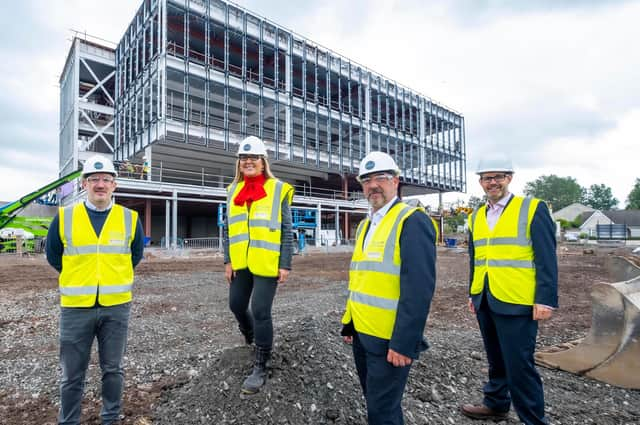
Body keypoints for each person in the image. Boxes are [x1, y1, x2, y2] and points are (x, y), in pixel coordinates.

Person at [46, 154, 145, 425]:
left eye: (106, 179)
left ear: (115, 185)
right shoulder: (65, 217)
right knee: (71, 374)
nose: (100, 184)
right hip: (76, 309)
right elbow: (54, 256)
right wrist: (79, 279)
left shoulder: (130, 218)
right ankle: (69, 421)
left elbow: (135, 256)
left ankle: (110, 419)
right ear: (84, 183)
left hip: (116, 307)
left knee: (113, 370)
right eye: (94, 179)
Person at [460, 156, 558, 425]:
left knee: (520, 364)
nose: (492, 182)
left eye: (498, 177)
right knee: (496, 358)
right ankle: (496, 404)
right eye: (486, 178)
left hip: (518, 300)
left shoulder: (532, 208)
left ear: (509, 178)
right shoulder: (477, 215)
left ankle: (533, 420)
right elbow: (476, 257)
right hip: (485, 297)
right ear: (480, 182)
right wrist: (473, 292)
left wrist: (546, 299)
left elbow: (546, 258)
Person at [341, 151, 437, 425]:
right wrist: (350, 324)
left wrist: (405, 343)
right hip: (363, 332)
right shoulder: (365, 226)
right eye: (366, 180)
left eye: (380, 178)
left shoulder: (412, 221)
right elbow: (362, 278)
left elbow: (419, 289)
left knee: (382, 411)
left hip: (389, 338)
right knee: (375, 402)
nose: (373, 185)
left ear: (396, 181)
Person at [222, 135, 294, 394]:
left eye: (253, 158)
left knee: (261, 310)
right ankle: (251, 336)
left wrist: (285, 263)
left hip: (267, 262)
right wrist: (228, 260)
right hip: (241, 262)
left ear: (263, 162)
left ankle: (261, 364)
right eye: (244, 158)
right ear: (239, 163)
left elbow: (287, 229)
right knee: (236, 305)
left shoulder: (277, 189)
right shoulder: (232, 191)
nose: (248, 162)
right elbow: (228, 229)